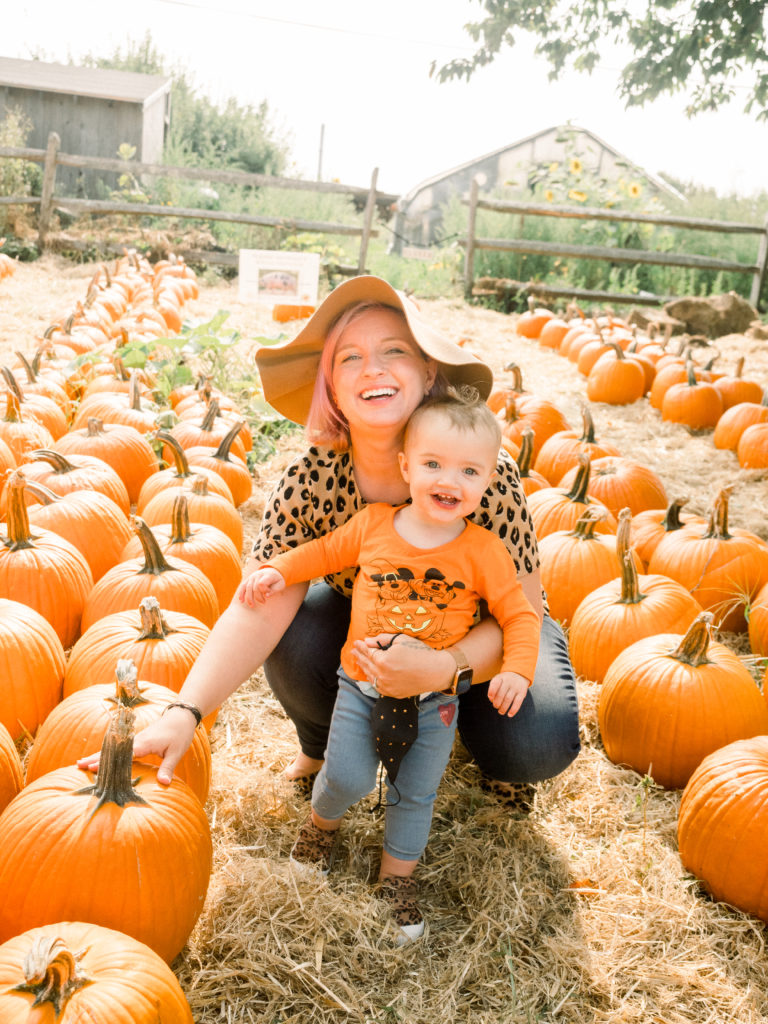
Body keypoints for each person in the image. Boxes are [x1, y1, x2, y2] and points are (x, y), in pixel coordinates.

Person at [79, 274, 580, 924]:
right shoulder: (314, 474)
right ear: (333, 390)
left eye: (395, 350)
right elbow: (261, 597)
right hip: (369, 623)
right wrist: (186, 710)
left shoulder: (475, 470)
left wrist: (442, 668)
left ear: (428, 372)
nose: (373, 367)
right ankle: (325, 742)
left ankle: (485, 748)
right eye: (350, 357)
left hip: (488, 633)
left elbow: (521, 613)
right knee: (292, 625)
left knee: (534, 736)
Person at [238, 387, 541, 940]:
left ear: (487, 482)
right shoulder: (376, 524)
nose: (449, 482)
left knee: (415, 791)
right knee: (347, 775)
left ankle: (397, 879)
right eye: (432, 465)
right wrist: (280, 571)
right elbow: (325, 552)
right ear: (406, 466)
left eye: (469, 472)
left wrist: (519, 669)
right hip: (361, 686)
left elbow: (520, 616)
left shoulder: (484, 551)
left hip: (436, 702)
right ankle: (319, 827)